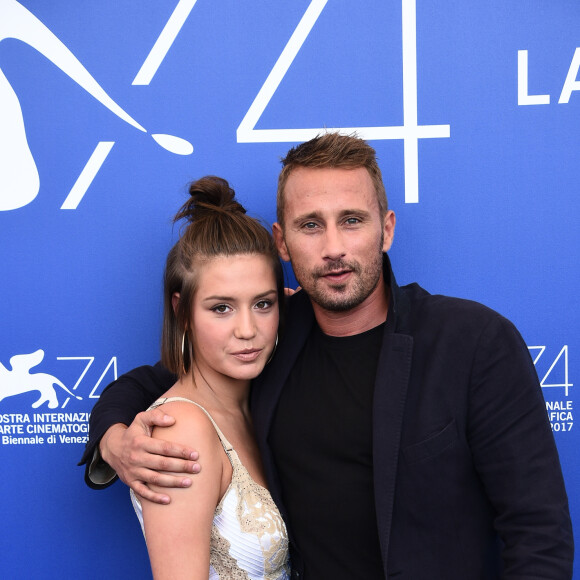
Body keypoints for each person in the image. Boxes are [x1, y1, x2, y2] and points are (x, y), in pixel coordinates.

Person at [80, 134, 574, 579]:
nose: (334, 247)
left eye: (352, 221)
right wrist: (113, 439)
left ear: (386, 230)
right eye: (311, 225)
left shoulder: (472, 342)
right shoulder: (272, 333)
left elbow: (539, 538)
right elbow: (157, 382)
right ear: (283, 243)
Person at [121, 175, 289, 579]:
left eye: (263, 304)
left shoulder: (259, 406)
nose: (247, 329)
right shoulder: (181, 430)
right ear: (182, 311)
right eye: (221, 308)